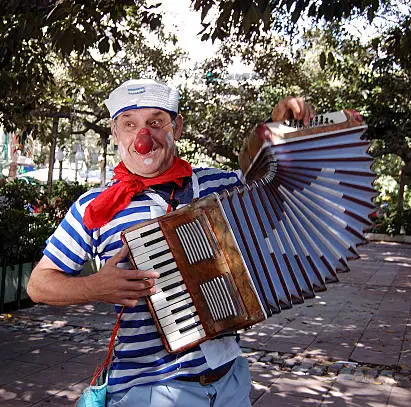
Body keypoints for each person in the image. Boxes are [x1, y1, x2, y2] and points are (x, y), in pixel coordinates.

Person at [27, 79, 313, 406]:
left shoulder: (215, 184)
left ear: (176, 128)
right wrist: (94, 287)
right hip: (148, 389)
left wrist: (278, 126)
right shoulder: (92, 205)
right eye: (129, 124)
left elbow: (270, 183)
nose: (142, 138)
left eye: (156, 122)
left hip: (229, 378)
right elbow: (39, 284)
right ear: (115, 132)